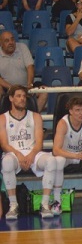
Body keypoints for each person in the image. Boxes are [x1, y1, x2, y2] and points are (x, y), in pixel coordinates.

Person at [0, 85, 61, 220]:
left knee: (51, 161)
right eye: (18, 96)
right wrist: (19, 155)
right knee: (7, 161)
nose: (22, 99)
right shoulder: (3, 118)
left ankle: (45, 204)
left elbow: (39, 143)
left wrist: (31, 156)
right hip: (14, 153)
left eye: (24, 96)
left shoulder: (35, 116)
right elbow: (4, 144)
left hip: (33, 152)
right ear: (11, 98)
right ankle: (13, 205)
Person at [0, 30, 34, 101]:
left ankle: (32, 112)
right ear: (1, 44)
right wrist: (11, 88)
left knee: (43, 92)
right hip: (7, 88)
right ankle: (2, 112)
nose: (11, 43)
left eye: (12, 39)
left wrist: (30, 84)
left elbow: (30, 67)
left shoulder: (22, 47)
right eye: (7, 41)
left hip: (26, 86)